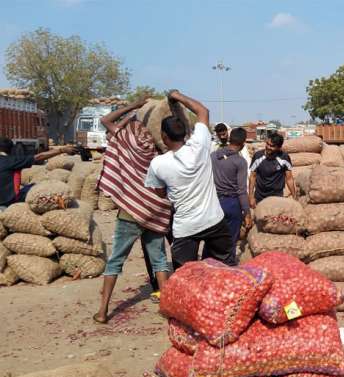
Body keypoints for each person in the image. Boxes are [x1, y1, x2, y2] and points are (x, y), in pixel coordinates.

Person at [94, 98, 173, 323]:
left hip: (130, 210)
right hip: (155, 210)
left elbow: (105, 120)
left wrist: (133, 106)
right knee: (158, 259)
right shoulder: (161, 151)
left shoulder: (130, 140)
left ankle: (102, 311)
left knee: (115, 261)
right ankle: (167, 308)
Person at [145, 90, 235, 269]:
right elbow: (203, 111)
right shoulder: (200, 145)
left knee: (186, 278)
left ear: (164, 137)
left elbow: (160, 193)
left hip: (185, 227)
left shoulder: (158, 164)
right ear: (186, 132)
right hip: (213, 220)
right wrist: (177, 96)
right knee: (227, 270)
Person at [0, 138, 76, 211]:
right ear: (10, 149)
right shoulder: (11, 161)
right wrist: (61, 150)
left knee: (29, 187)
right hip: (7, 200)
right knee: (38, 189)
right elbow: (38, 157)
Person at [211, 127, 251, 263]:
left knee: (214, 240)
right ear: (243, 143)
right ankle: (228, 270)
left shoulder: (214, 156)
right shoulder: (240, 162)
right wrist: (247, 213)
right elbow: (241, 190)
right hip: (232, 204)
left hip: (214, 203)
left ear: (229, 138)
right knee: (230, 243)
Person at [248, 132, 295, 208]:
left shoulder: (284, 157)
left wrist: (294, 196)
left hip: (277, 197)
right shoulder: (258, 156)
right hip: (260, 197)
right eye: (267, 144)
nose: (268, 147)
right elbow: (252, 177)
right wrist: (251, 197)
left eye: (272, 146)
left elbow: (289, 179)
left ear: (279, 147)